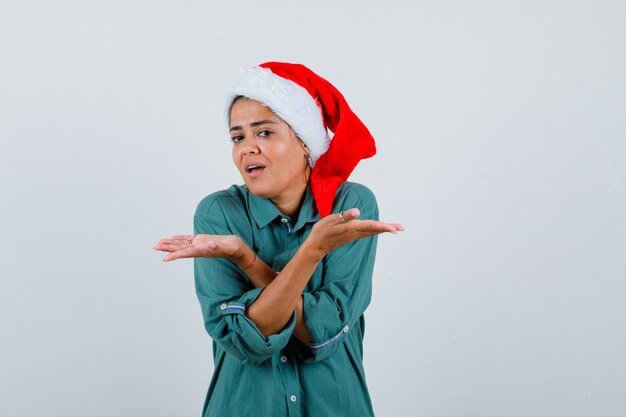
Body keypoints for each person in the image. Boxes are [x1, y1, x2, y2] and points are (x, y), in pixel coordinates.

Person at [154, 62, 403, 417]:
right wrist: (312, 251)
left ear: (305, 142)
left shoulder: (350, 206)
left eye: (265, 133)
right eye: (238, 137)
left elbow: (326, 333)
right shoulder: (218, 214)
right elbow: (246, 341)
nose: (247, 149)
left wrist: (248, 261)